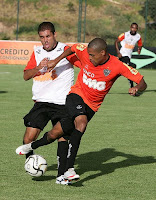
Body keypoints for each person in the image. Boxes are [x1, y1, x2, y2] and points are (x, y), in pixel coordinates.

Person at [16, 38, 147, 182]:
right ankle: (69, 169)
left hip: (92, 106)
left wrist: (136, 88)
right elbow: (72, 48)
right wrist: (56, 60)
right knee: (81, 123)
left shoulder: (117, 65)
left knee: (56, 133)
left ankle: (30, 146)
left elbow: (142, 82)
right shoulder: (84, 52)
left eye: (92, 55)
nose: (89, 57)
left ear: (102, 53)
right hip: (76, 96)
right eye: (88, 54)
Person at [19, 22, 81, 185]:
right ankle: (32, 164)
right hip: (41, 102)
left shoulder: (65, 50)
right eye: (42, 37)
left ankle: (61, 175)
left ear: (54, 35)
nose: (45, 40)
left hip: (62, 103)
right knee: (28, 139)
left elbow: (82, 63)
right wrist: (38, 68)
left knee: (61, 137)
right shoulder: (37, 52)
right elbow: (26, 76)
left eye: (48, 36)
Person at [115, 22, 143, 88]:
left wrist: (139, 49)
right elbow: (116, 42)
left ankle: (132, 85)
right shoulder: (125, 34)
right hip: (123, 55)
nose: (134, 29)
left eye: (135, 28)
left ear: (137, 29)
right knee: (131, 67)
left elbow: (140, 44)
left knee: (123, 69)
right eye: (133, 27)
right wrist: (118, 52)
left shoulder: (138, 36)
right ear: (130, 28)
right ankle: (134, 84)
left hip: (129, 56)